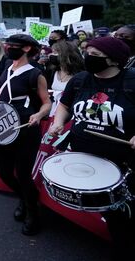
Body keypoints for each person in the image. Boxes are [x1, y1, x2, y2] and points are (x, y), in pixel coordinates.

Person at [49, 37, 135, 259]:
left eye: (95, 55)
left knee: (123, 216)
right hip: (86, 156)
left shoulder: (131, 81)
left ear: (114, 60)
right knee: (108, 211)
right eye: (86, 52)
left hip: (123, 163)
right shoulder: (79, 80)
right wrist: (58, 122)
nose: (88, 58)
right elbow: (65, 105)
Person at [0, 34, 51, 235]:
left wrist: (39, 114)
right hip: (5, 126)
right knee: (5, 172)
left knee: (24, 173)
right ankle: (25, 199)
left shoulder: (35, 73)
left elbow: (47, 102)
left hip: (26, 127)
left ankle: (33, 213)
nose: (7, 48)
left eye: (12, 45)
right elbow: (3, 88)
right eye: (7, 45)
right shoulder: (8, 66)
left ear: (26, 49)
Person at [47, 41, 84, 117]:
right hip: (52, 114)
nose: (52, 55)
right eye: (52, 52)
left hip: (70, 115)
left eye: (56, 52)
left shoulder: (80, 76)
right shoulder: (52, 72)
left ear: (67, 55)